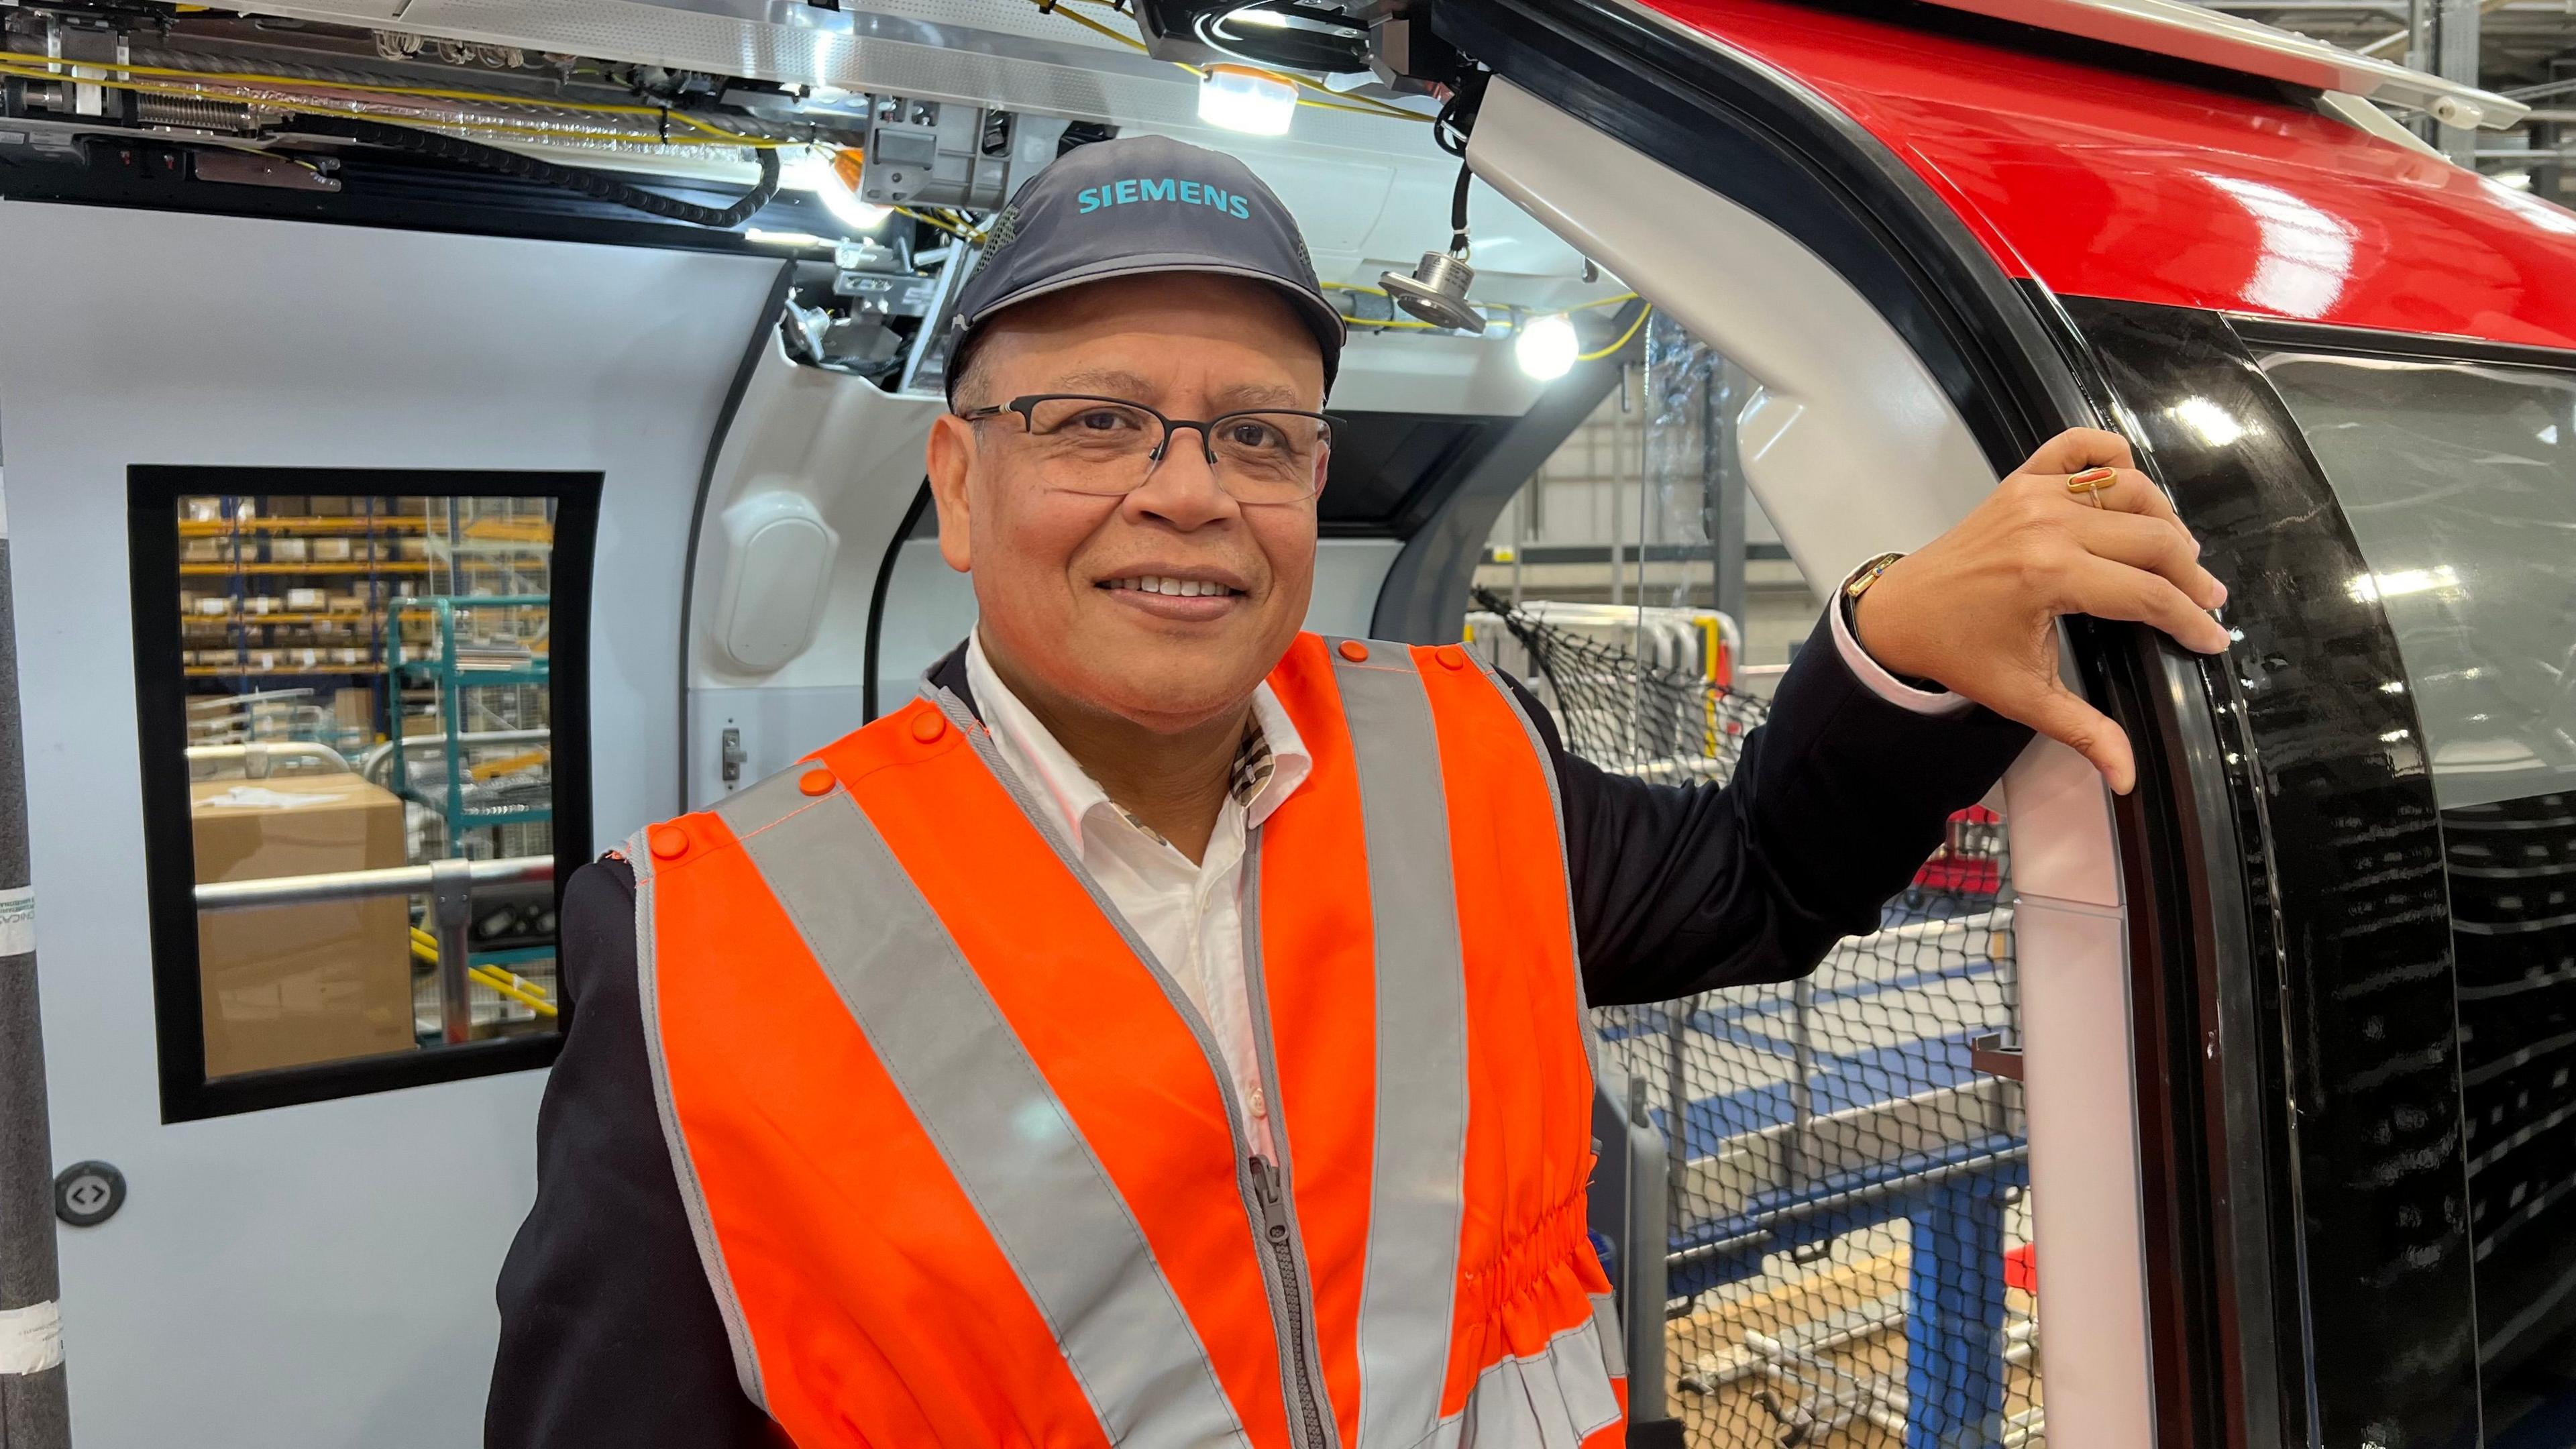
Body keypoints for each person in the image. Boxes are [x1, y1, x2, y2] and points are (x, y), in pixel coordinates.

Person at [486, 135, 2229, 1448]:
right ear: (957, 484)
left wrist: (1901, 632)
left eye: (1259, 434)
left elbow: (1765, 881)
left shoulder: (1458, 759)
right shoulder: (707, 952)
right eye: (1097, 422)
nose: (1189, 493)